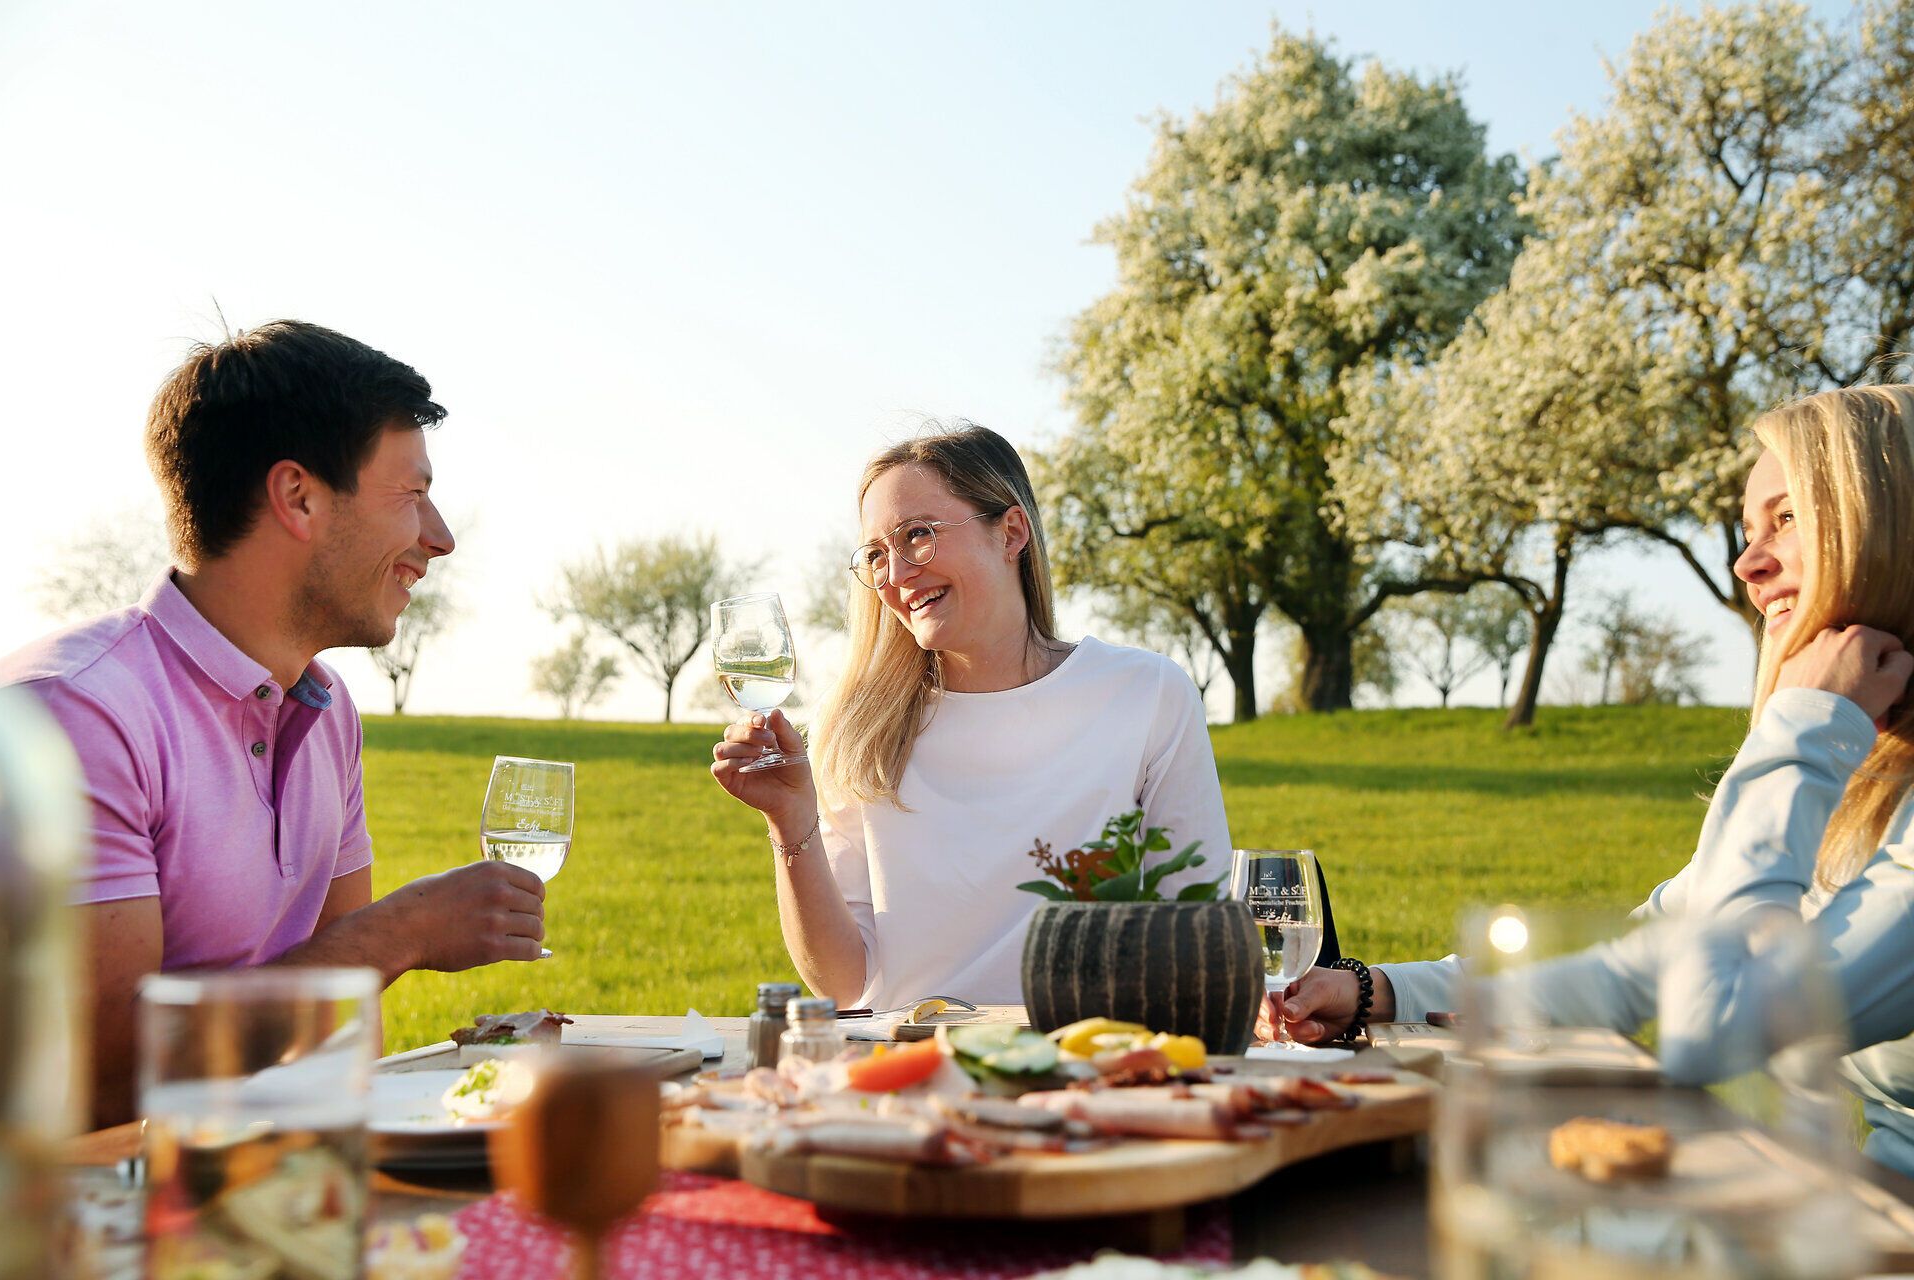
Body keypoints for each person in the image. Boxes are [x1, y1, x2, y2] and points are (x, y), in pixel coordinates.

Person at [1273, 385, 1914, 1171]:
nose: (1748, 564)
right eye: (1749, 529)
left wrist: (1805, 723)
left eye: (1788, 518)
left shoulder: (1817, 747)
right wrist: (1372, 990)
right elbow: (1638, 959)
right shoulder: (1858, 771)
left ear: (1891, 528)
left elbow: (1715, 1019)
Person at [0, 321, 547, 1127]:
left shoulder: (327, 714)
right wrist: (402, 933)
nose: (440, 537)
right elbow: (95, 1079)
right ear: (298, 497)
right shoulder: (72, 714)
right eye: (412, 493)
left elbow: (340, 1041)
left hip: (271, 1201)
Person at [711, 423, 1232, 1010]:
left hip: (1079, 1067)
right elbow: (843, 982)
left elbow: (1197, 927)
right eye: (878, 555)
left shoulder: (1145, 694)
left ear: (1011, 533)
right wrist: (789, 819)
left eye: (919, 535)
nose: (896, 574)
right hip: (905, 1070)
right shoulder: (855, 723)